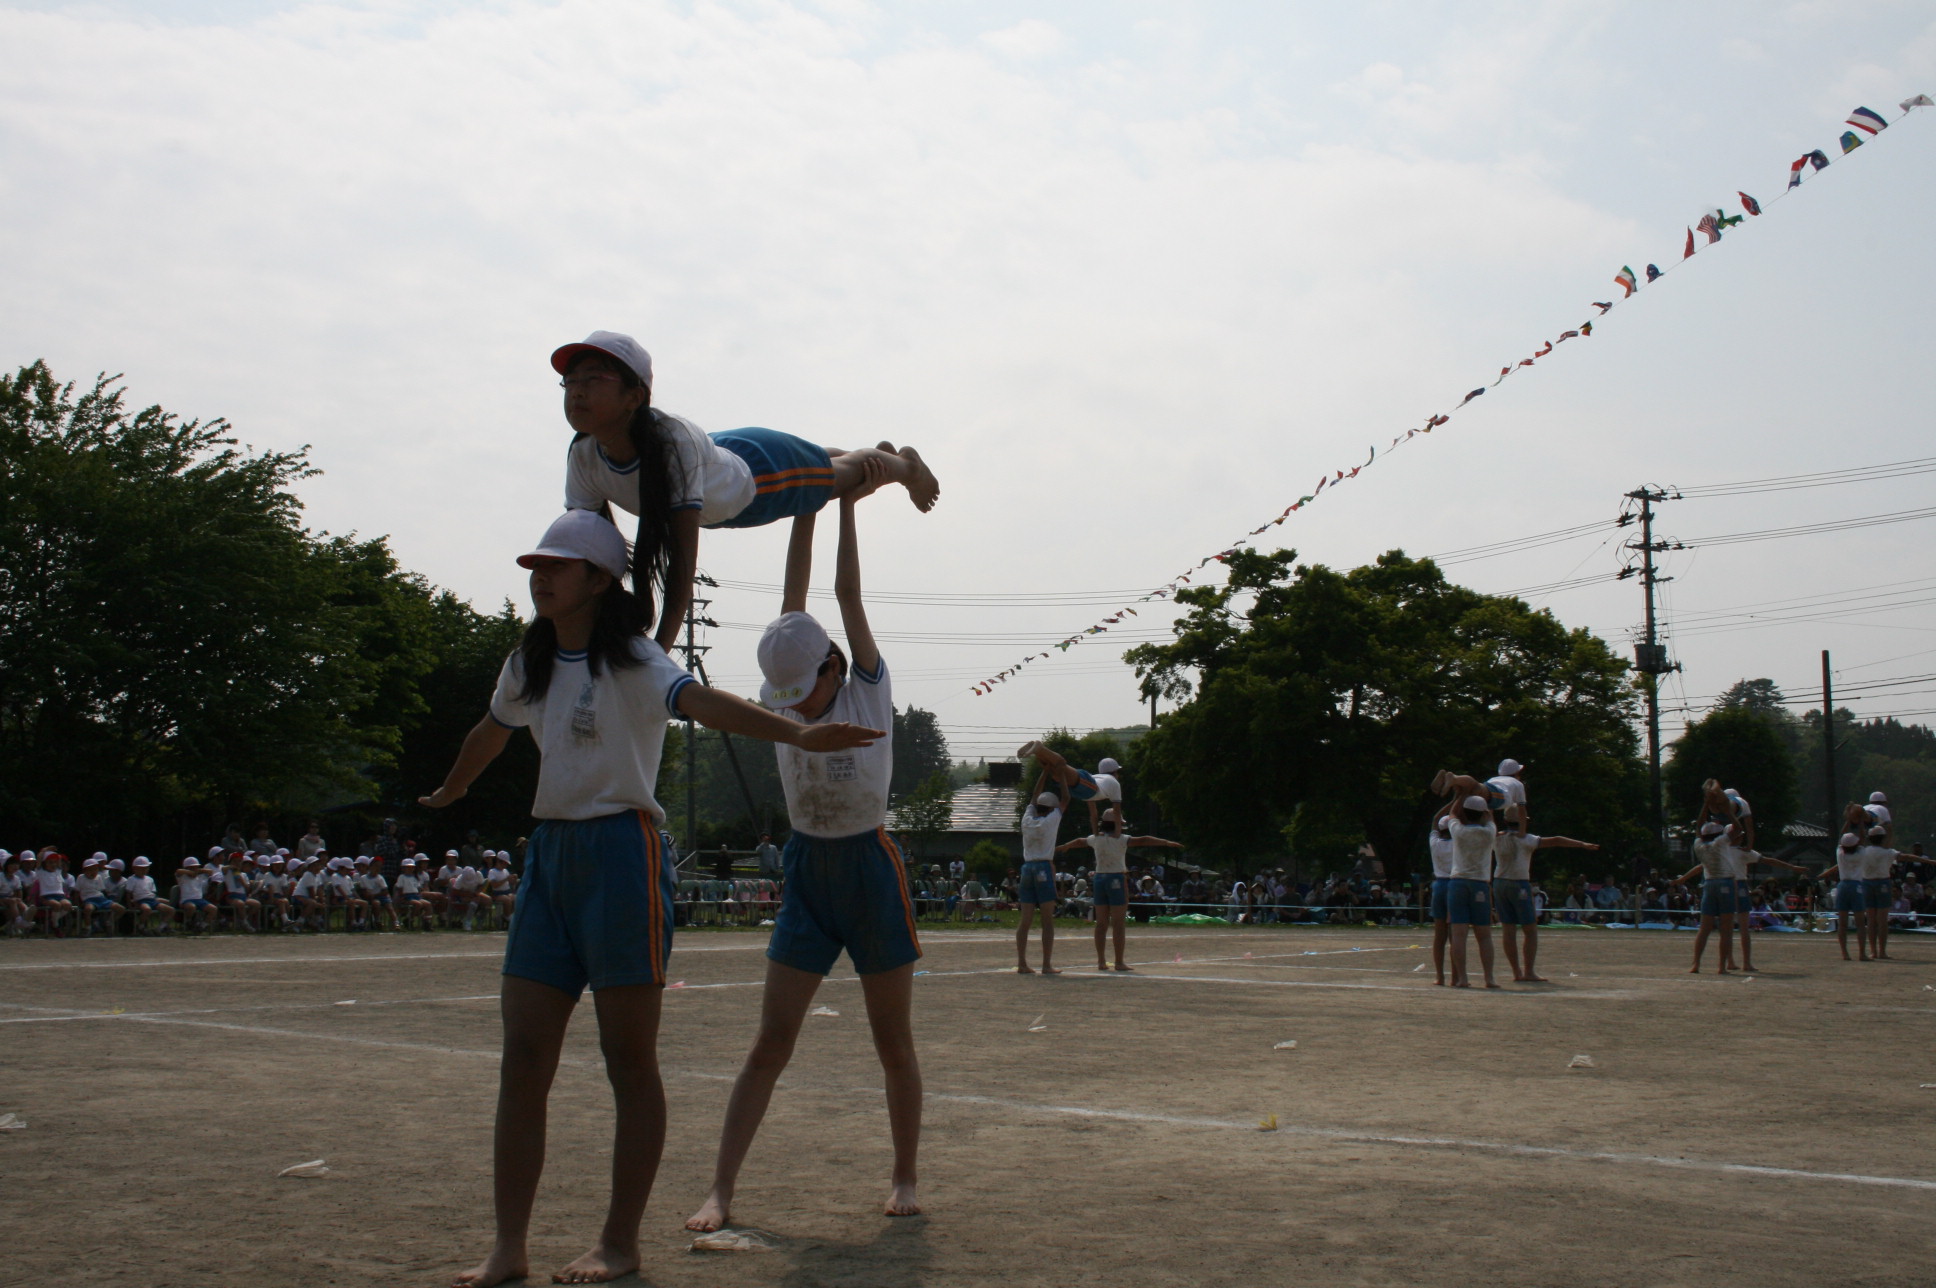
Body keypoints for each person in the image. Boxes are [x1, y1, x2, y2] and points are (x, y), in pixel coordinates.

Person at [418, 508, 878, 1288]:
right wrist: (452, 788)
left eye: (556, 566)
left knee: (627, 1059)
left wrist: (796, 733)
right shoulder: (528, 661)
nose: (540, 577)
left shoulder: (634, 658)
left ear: (599, 580)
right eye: (536, 566)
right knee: (523, 1057)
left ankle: (619, 1242)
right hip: (551, 854)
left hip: (622, 855)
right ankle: (508, 1247)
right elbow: (492, 730)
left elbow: (703, 703)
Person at [686, 494, 923, 1235]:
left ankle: (904, 1173)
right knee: (770, 1042)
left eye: (810, 689)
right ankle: (721, 1188)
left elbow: (845, 594)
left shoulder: (866, 689)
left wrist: (846, 501)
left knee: (891, 1041)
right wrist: (806, 501)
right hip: (808, 872)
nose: (799, 706)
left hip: (869, 869)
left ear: (833, 666)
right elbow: (792, 603)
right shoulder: (790, 689)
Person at [553, 331, 939, 655]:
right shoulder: (584, 455)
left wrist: (659, 653)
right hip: (713, 457)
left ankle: (907, 466)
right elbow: (582, 551)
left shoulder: (671, 448)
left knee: (844, 474)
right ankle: (850, 458)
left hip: (758, 479)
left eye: (592, 379)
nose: (577, 392)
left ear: (634, 397)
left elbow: (682, 564)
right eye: (570, 382)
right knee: (821, 469)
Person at [1055, 808, 1183, 971]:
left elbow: (1080, 841)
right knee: (1118, 923)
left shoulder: (1096, 839)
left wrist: (1066, 846)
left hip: (1099, 879)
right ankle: (1119, 961)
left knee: (1101, 923)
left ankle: (1101, 961)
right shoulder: (1121, 839)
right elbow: (1144, 840)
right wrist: (1166, 842)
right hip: (1116, 878)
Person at [1491, 820, 1598, 983]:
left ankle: (1516, 971)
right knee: (1530, 929)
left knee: (1508, 929)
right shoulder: (1527, 839)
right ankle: (1529, 971)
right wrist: (1582, 844)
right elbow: (1557, 840)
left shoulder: (1497, 837)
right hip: (1519, 882)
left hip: (1499, 882)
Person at [1437, 793, 1498, 988]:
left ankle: (1462, 978)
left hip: (1458, 883)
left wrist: (1461, 794)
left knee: (1458, 935)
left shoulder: (1458, 831)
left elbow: (1453, 813)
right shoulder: (1489, 832)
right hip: (1480, 883)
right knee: (1484, 935)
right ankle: (1489, 978)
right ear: (1483, 814)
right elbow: (1490, 818)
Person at [1014, 779, 1070, 974]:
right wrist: (1061, 774)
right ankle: (1046, 964)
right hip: (1043, 867)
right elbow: (1066, 798)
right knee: (1047, 920)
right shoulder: (1051, 820)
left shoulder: (1027, 820)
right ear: (1051, 808)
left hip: (1027, 867)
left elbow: (1033, 797)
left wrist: (1044, 772)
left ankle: (1022, 963)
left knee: (1025, 920)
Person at [1672, 822, 1739, 973]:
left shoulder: (1700, 846)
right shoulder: (1721, 844)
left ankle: (1696, 964)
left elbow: (1700, 866)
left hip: (1709, 884)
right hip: (1725, 882)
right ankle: (1722, 966)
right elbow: (1738, 829)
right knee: (1726, 928)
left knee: (1704, 928)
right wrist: (1731, 813)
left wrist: (1683, 878)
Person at [1014, 743, 1121, 833]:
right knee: (1061, 764)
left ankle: (1038, 752)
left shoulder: (1101, 779)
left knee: (1053, 768)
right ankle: (1040, 748)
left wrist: (1096, 834)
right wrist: (1117, 834)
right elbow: (1116, 812)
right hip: (1089, 786)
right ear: (1115, 772)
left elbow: (1093, 813)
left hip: (1085, 788)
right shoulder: (1114, 783)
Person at [1486, 758, 1528, 826]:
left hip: (1486, 787)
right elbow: (1521, 810)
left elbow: (1489, 811)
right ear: (1517, 773)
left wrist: (1493, 829)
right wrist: (1522, 831)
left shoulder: (1492, 779)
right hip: (1500, 795)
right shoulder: (1518, 784)